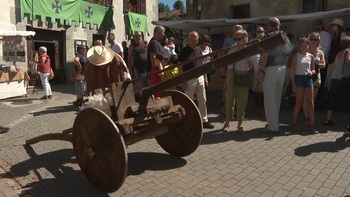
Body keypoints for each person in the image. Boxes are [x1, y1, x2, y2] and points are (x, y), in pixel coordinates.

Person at [259, 17, 290, 134]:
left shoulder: (268, 36)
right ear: (279, 25)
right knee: (277, 97)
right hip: (282, 67)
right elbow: (288, 54)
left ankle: (273, 126)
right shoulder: (284, 36)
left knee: (269, 98)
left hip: (271, 68)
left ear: (269, 25)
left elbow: (265, 55)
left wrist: (261, 71)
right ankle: (274, 122)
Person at [178, 31, 214, 129]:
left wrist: (205, 77)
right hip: (189, 79)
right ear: (189, 39)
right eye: (194, 39)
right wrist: (183, 81)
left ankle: (204, 120)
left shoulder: (198, 50)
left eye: (197, 39)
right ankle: (188, 121)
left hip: (200, 77)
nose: (196, 41)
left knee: (202, 99)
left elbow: (202, 64)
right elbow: (180, 68)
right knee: (189, 101)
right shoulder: (184, 51)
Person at [221, 29, 252, 133]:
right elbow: (228, 62)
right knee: (229, 99)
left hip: (243, 74)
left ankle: (240, 124)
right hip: (232, 73)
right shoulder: (233, 48)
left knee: (242, 101)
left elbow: (250, 65)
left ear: (244, 39)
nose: (236, 40)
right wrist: (225, 79)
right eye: (235, 38)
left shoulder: (249, 49)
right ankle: (227, 122)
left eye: (238, 38)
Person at [290, 37, 317, 133]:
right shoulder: (296, 56)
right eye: (301, 45)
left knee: (310, 102)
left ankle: (312, 125)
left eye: (305, 45)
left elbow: (314, 69)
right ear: (299, 46)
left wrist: (311, 72)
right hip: (299, 78)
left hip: (308, 78)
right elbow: (292, 71)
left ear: (308, 46)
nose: (303, 47)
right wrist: (293, 84)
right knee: (299, 102)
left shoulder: (311, 56)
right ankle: (293, 123)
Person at [324, 37, 350, 126]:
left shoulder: (338, 53)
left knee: (333, 100)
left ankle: (328, 119)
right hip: (344, 79)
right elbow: (347, 62)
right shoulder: (348, 51)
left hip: (334, 78)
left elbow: (334, 65)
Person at [220, 25, 243, 114]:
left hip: (241, 69)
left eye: (238, 30)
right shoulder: (228, 41)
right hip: (230, 68)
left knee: (239, 89)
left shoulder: (245, 41)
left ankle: (237, 109)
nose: (236, 31)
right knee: (228, 88)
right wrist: (223, 68)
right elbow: (224, 55)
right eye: (235, 30)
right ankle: (226, 107)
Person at [303, 32, 325, 123]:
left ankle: (310, 116)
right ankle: (306, 117)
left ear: (318, 41)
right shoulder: (305, 51)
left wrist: (316, 64)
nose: (312, 41)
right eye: (311, 39)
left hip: (316, 77)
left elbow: (323, 65)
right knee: (306, 98)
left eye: (315, 39)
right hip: (306, 76)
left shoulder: (320, 52)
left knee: (312, 99)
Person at [325, 18, 347, 91]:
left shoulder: (342, 34)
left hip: (338, 60)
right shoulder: (334, 36)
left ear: (338, 26)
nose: (332, 27)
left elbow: (345, 46)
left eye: (333, 25)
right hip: (332, 60)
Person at [72, 45, 88, 109]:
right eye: (84, 49)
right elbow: (75, 60)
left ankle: (80, 103)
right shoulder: (79, 55)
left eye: (85, 49)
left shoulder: (83, 56)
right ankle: (78, 104)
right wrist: (80, 66)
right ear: (80, 50)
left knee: (81, 90)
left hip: (82, 75)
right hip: (79, 75)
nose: (85, 50)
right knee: (79, 90)